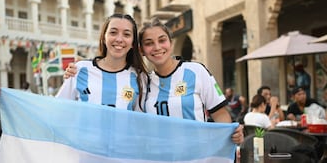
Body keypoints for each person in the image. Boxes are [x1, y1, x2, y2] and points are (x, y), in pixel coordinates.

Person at [64, 17, 244, 144]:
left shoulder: (196, 71)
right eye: (149, 43)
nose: (157, 47)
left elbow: (220, 114)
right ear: (141, 49)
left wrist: (231, 136)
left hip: (197, 156)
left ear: (170, 43)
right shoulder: (143, 81)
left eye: (162, 40)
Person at [0, 13, 148, 112]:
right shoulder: (80, 70)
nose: (119, 39)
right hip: (85, 155)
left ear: (133, 42)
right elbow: (56, 108)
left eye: (126, 34)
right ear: (104, 38)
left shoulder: (139, 78)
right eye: (113, 32)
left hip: (122, 156)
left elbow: (142, 122)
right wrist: (7, 99)